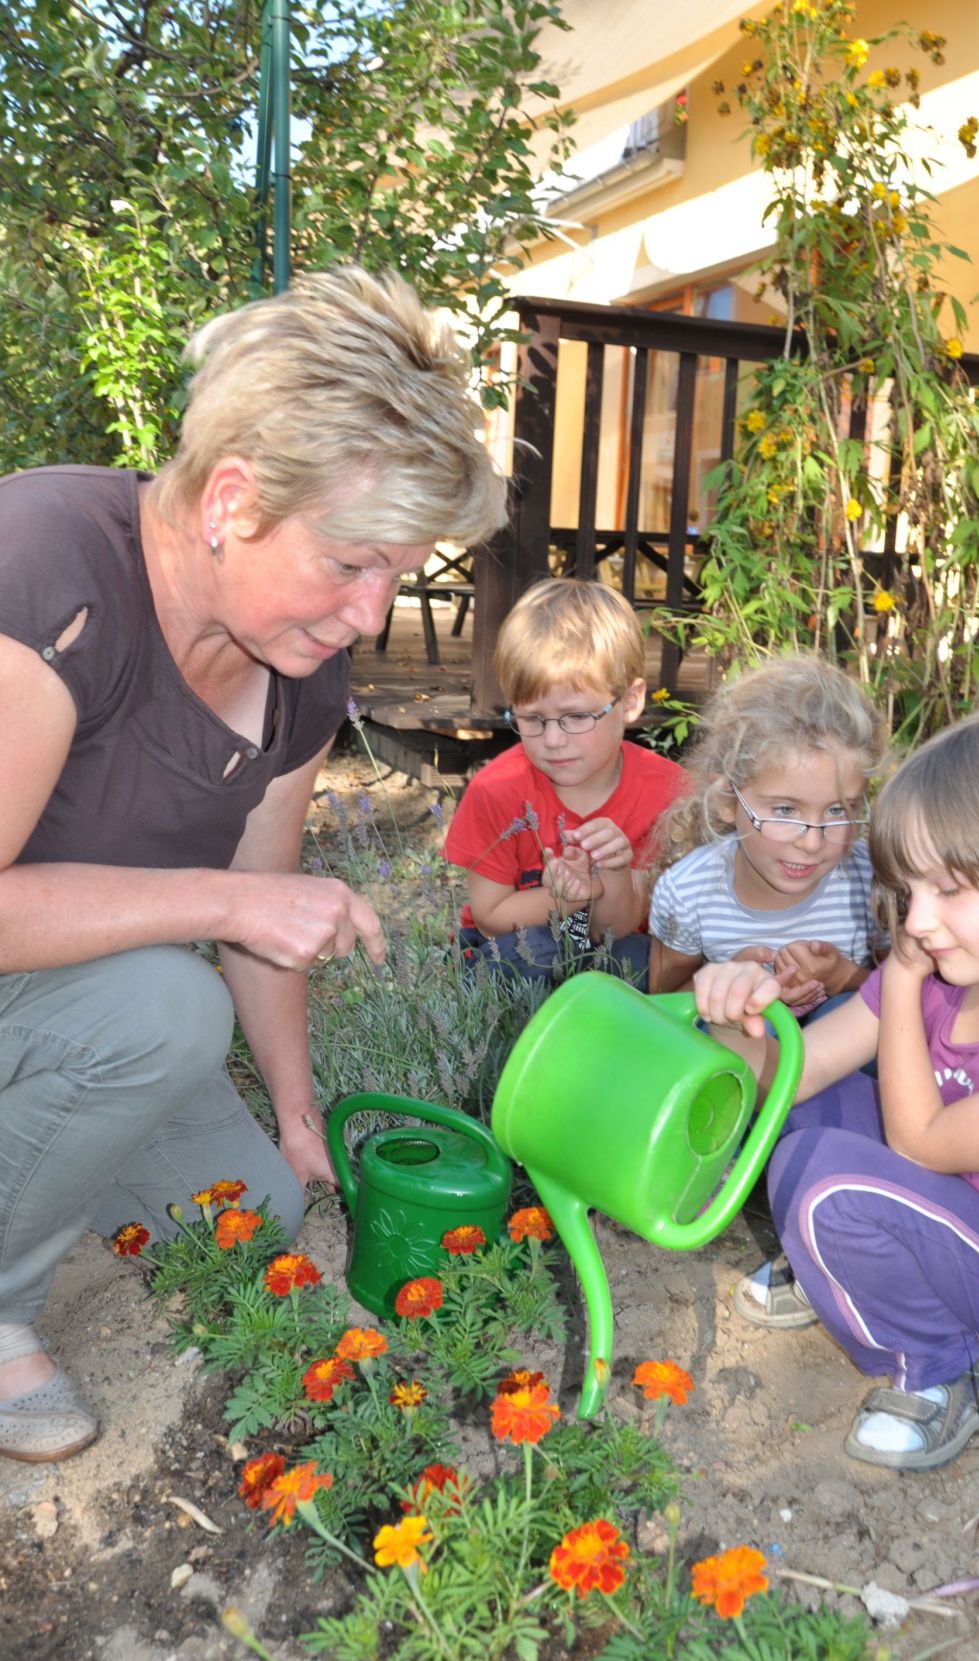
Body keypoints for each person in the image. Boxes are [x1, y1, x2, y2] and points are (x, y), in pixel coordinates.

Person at [0, 266, 505, 1463]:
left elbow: (261, 920)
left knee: (255, 1210)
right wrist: (228, 899)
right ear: (232, 497)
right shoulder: (49, 567)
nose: (372, 612)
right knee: (164, 1010)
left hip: (51, 1003)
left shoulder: (298, 663)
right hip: (65, 991)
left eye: (402, 572)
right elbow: (234, 906)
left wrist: (296, 1112)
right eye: (352, 561)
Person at [695, 716, 979, 1473]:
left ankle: (949, 1363)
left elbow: (917, 1142)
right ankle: (854, 1270)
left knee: (827, 1191)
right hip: (955, 1198)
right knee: (801, 1123)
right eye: (908, 890)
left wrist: (902, 979)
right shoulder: (954, 958)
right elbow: (798, 1070)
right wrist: (736, 1008)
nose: (916, 921)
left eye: (948, 889)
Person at [443, 577, 685, 987]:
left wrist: (613, 874)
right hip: (509, 942)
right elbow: (489, 917)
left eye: (576, 717)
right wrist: (563, 899)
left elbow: (620, 927)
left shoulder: (671, 792)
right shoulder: (496, 789)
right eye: (532, 719)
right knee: (535, 951)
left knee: (642, 960)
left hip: (615, 943)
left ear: (629, 702)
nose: (553, 740)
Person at [648, 656, 884, 1011]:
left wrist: (846, 978)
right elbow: (661, 1008)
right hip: (741, 1055)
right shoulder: (688, 894)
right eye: (786, 810)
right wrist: (724, 980)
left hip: (844, 1056)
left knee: (848, 1009)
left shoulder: (871, 880)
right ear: (728, 800)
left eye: (838, 810)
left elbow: (915, 1002)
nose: (812, 842)